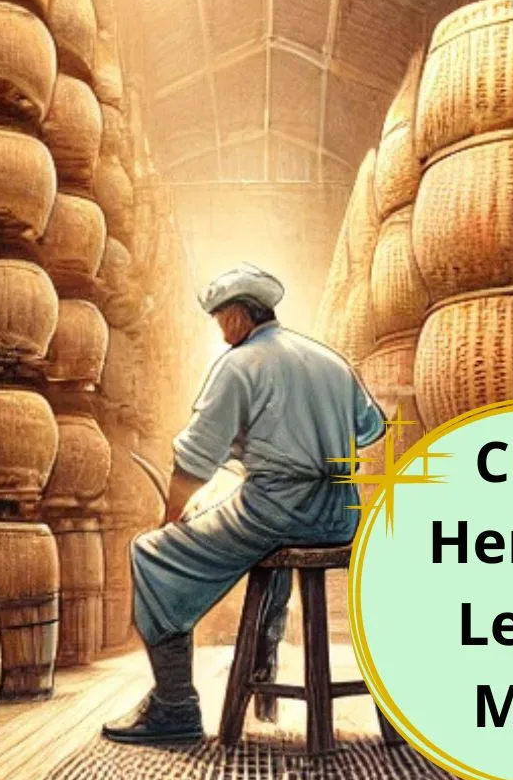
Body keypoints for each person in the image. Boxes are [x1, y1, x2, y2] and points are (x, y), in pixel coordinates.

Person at [102, 262, 386, 745]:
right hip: (340, 513)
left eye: (219, 319)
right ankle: (263, 669)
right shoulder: (330, 360)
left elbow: (193, 460)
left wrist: (171, 520)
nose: (219, 330)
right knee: (262, 548)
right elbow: (371, 428)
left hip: (275, 510)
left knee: (151, 554)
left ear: (236, 316)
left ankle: (174, 708)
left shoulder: (238, 365)